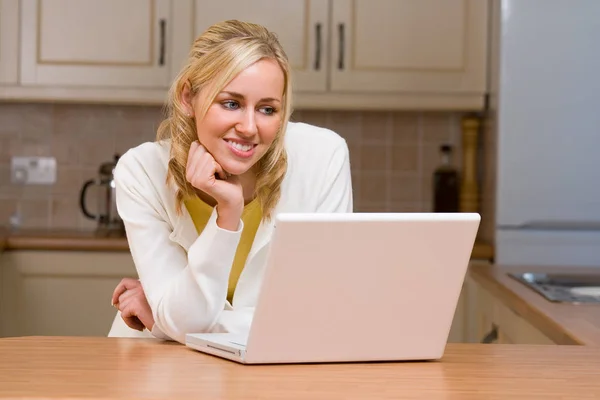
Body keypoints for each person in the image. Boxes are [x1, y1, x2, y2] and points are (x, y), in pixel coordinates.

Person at [108, 20, 353, 344]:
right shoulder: (141, 171)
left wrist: (165, 320)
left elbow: (324, 315)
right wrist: (228, 213)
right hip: (160, 362)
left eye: (267, 109)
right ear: (187, 97)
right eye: (231, 103)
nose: (250, 127)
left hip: (273, 363)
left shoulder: (323, 156)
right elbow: (186, 321)